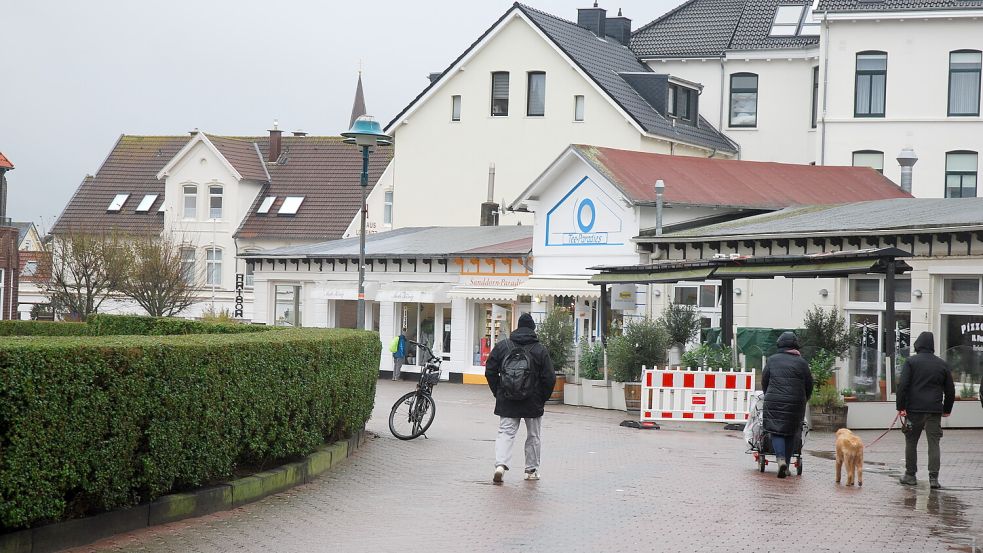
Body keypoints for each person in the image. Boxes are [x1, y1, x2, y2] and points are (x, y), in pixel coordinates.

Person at [485, 313, 555, 483]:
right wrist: (542, 398)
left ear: (517, 327)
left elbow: (490, 371)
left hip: (507, 399)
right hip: (532, 400)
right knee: (533, 435)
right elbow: (549, 378)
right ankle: (531, 470)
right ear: (532, 329)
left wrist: (498, 392)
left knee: (505, 433)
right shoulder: (539, 349)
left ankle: (500, 465)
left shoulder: (503, 346)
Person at [896, 331, 955, 489]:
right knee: (934, 443)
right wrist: (947, 409)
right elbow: (950, 390)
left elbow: (902, 386)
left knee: (911, 441)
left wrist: (900, 407)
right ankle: (934, 479)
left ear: (918, 344)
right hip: (934, 410)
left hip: (913, 409)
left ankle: (910, 475)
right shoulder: (942, 364)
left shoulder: (911, 362)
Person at [762, 331, 813, 479]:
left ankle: (781, 461)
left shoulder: (772, 360)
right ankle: (788, 464)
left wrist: (768, 395)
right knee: (791, 432)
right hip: (796, 402)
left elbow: (765, 380)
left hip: (774, 400)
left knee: (777, 431)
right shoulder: (802, 363)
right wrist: (805, 398)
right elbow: (809, 384)